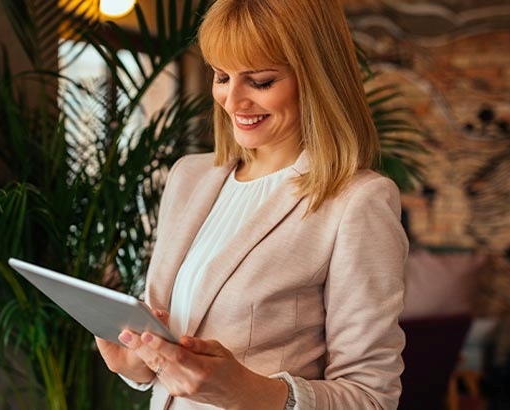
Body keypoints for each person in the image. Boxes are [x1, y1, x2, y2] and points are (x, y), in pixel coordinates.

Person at [96, 0, 409, 408]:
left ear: (317, 78)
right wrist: (138, 365)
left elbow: (371, 397)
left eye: (260, 81)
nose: (233, 100)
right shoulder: (189, 178)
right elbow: (175, 355)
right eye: (222, 76)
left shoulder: (357, 201)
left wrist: (248, 390)